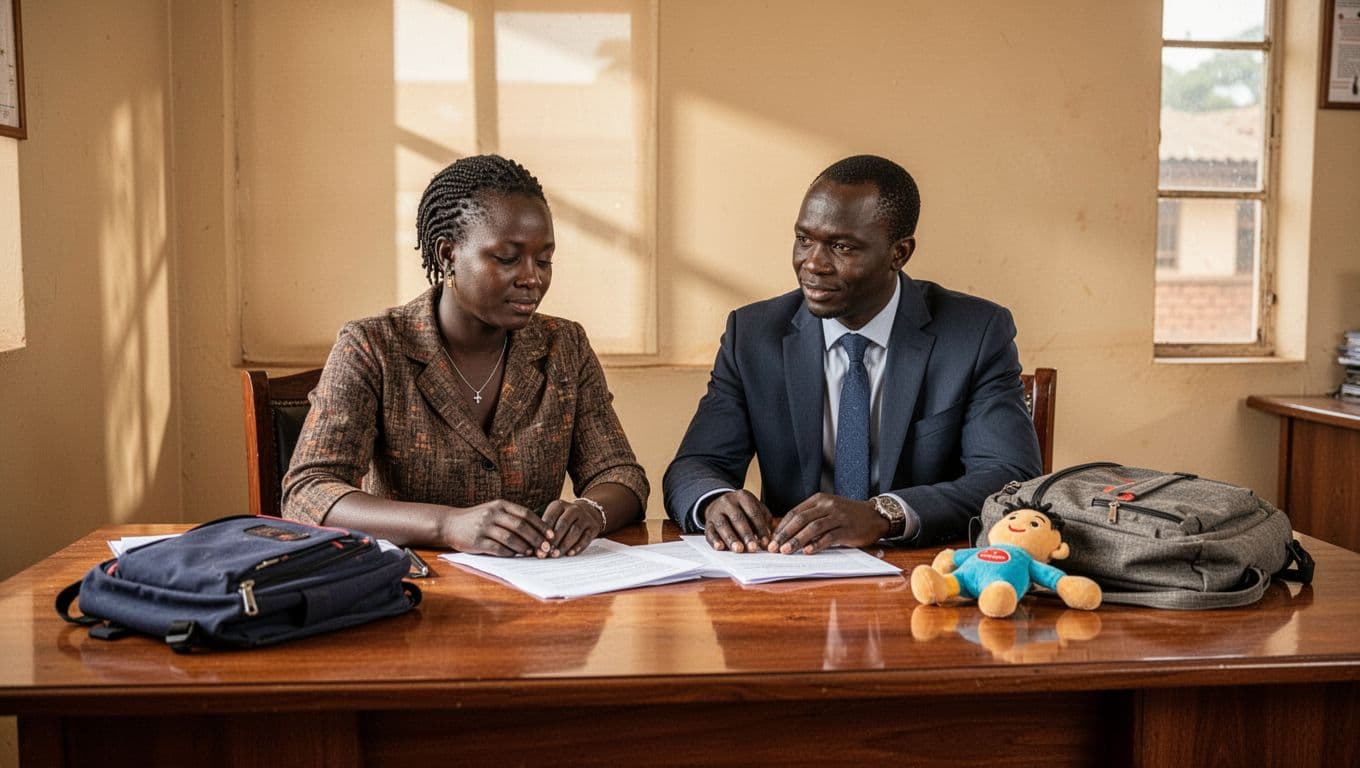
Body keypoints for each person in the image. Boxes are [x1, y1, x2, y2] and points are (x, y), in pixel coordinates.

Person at [663, 154, 1040, 554]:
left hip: (923, 572)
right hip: (791, 570)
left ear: (900, 253)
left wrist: (885, 514)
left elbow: (1009, 477)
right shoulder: (754, 335)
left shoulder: (974, 333)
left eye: (841, 246)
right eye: (804, 239)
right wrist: (715, 500)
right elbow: (694, 466)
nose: (812, 263)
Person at [283, 155, 648, 558]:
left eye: (544, 260)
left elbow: (620, 474)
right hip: (412, 587)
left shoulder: (564, 345)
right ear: (447, 255)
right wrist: (448, 525)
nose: (533, 277)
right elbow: (309, 492)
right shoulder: (373, 346)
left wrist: (590, 510)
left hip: (540, 588)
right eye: (508, 258)